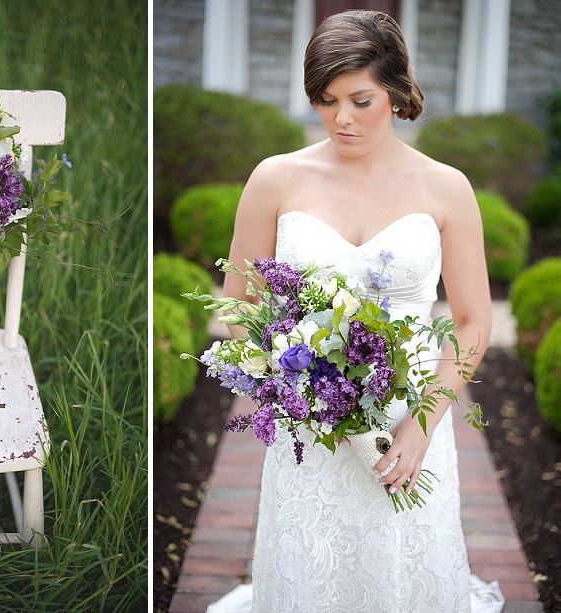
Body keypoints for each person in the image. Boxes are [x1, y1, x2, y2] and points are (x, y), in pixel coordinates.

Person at [207, 10, 505, 613]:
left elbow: (473, 320)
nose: (341, 118)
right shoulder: (275, 179)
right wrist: (289, 375)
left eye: (360, 99)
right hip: (307, 420)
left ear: (396, 91)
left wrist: (422, 426)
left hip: (409, 411)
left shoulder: (447, 188)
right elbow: (236, 301)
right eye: (325, 99)